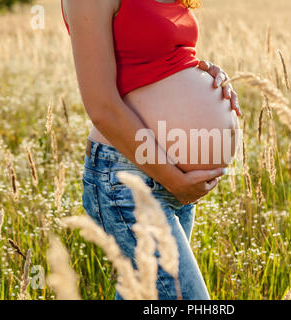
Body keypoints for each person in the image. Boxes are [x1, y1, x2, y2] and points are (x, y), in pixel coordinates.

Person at [61, 0, 241, 299]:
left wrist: (205, 71)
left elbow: (157, 55)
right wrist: (173, 178)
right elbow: (102, 108)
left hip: (171, 180)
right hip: (129, 180)